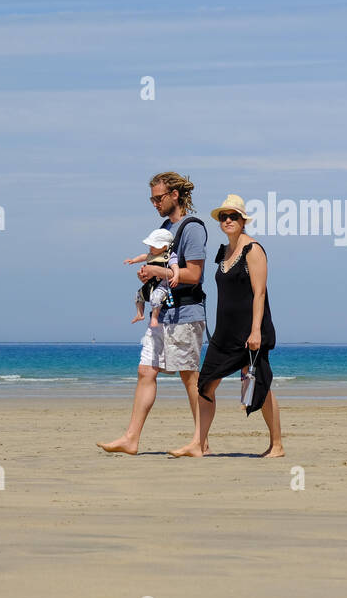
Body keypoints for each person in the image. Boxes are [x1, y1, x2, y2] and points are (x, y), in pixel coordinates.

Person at [99, 173, 208, 454]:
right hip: (163, 313)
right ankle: (131, 438)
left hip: (186, 313)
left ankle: (201, 441)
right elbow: (160, 267)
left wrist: (158, 271)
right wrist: (148, 276)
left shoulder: (192, 229)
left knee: (189, 376)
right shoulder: (164, 228)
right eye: (152, 199)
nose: (154, 204)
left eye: (158, 198)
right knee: (145, 371)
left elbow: (194, 275)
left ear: (174, 195)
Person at [171, 194, 283, 458]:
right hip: (224, 333)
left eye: (234, 216)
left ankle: (277, 445)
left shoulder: (252, 249)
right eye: (224, 217)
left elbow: (260, 294)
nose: (228, 220)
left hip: (249, 332)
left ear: (243, 220)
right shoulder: (224, 251)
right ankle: (199, 444)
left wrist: (256, 331)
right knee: (206, 384)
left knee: (260, 386)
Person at [126, 228, 180, 327]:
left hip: (162, 284)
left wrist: (176, 276)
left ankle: (155, 318)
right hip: (151, 283)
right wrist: (133, 260)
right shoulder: (151, 255)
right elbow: (143, 256)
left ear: (164, 246)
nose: (150, 249)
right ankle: (140, 314)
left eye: (153, 246)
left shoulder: (169, 256)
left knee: (156, 298)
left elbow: (175, 267)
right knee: (138, 295)